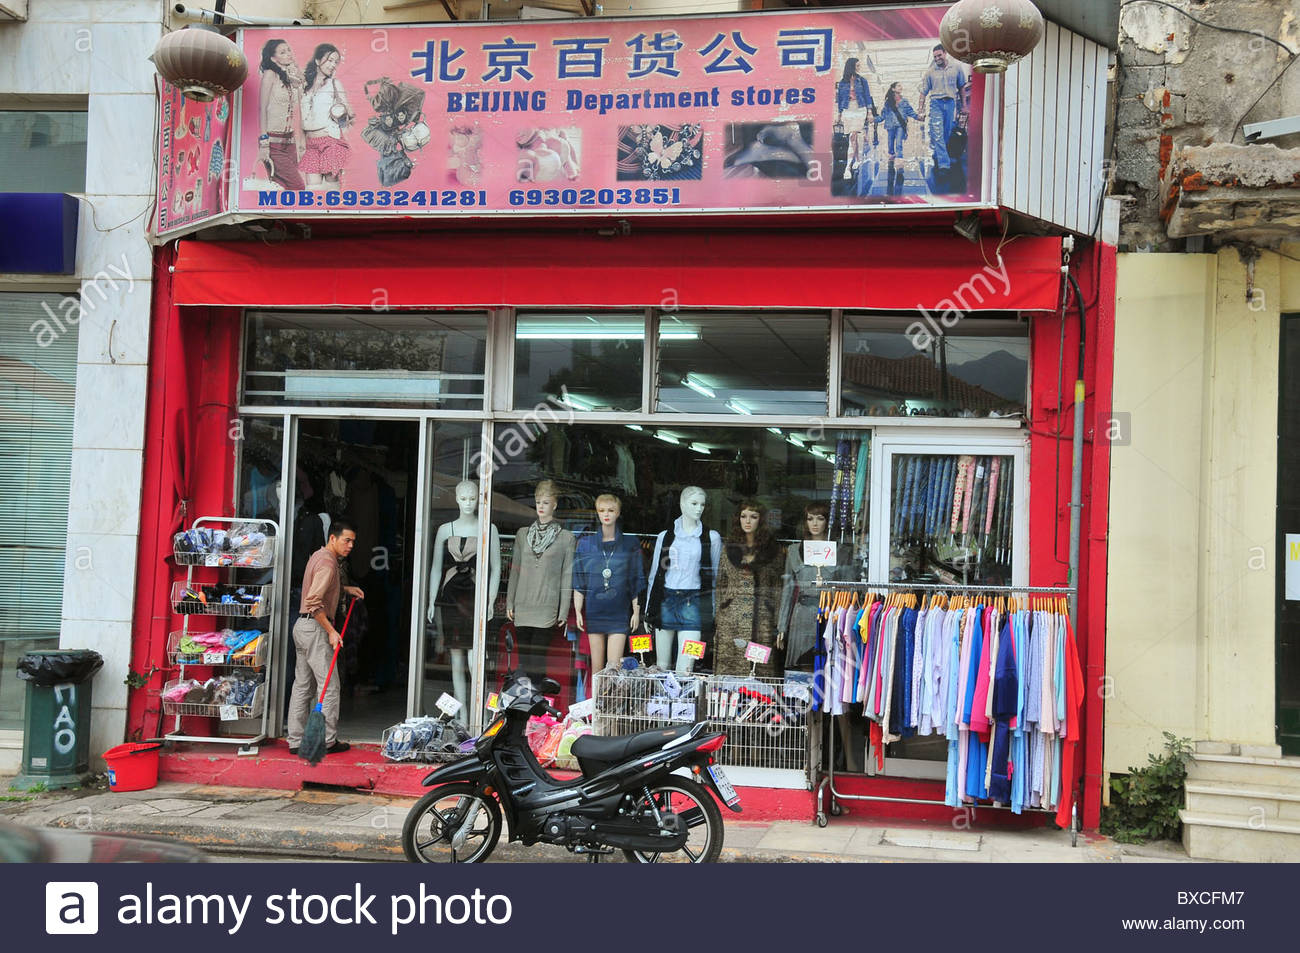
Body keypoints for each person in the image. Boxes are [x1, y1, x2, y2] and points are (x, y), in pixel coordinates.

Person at [286, 519, 365, 756]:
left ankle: (295, 740)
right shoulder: (329, 565)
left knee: (302, 686)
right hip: (316, 629)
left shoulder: (319, 556)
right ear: (333, 538)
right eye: (346, 540)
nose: (350, 545)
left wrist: (345, 589)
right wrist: (331, 631)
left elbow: (320, 588)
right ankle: (328, 741)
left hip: (302, 627)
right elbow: (313, 601)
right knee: (330, 687)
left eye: (353, 542)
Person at [428, 480, 501, 712]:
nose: (468, 503)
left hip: (474, 597)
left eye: (472, 499)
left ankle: (478, 710)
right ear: (457, 499)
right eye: (464, 498)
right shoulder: (444, 530)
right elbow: (435, 568)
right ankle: (462, 715)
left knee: (474, 659)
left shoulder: (489, 529)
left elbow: (496, 568)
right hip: (449, 598)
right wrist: (431, 601)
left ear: (478, 500)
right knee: (456, 660)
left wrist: (490, 601)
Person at [646, 486, 722, 673]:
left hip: (694, 603)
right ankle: (661, 702)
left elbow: (715, 579)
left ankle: (683, 703)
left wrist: (712, 612)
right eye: (694, 503)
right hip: (666, 600)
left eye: (702, 504)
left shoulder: (711, 538)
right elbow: (655, 574)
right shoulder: (665, 537)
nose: (699, 509)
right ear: (682, 504)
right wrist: (650, 608)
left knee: (686, 667)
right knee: (661, 665)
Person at [507, 480, 576, 682]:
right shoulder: (523, 534)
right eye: (538, 502)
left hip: (546, 605)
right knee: (524, 661)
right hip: (523, 604)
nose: (541, 507)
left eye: (546, 502)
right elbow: (515, 571)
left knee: (538, 661)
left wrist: (563, 610)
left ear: (554, 505)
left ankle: (537, 708)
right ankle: (524, 707)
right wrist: (510, 602)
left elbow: (567, 576)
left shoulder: (566, 538)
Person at [572, 493, 644, 674]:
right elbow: (579, 580)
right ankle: (596, 702)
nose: (606, 514)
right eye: (602, 510)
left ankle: (611, 702)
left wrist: (636, 611)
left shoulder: (630, 544)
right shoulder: (586, 544)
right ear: (596, 513)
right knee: (596, 668)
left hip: (619, 612)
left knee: (614, 669)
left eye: (611, 510)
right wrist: (578, 611)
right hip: (595, 610)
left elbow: (636, 579)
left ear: (618, 513)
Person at [713, 500, 784, 677]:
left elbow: (779, 586)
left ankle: (760, 703)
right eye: (743, 516)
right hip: (731, 618)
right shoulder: (729, 548)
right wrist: (720, 612)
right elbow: (721, 583)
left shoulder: (772, 550)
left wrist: (777, 620)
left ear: (761, 520)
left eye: (753, 517)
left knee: (760, 666)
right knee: (731, 663)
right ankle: (728, 701)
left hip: (762, 617)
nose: (748, 521)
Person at [777, 502, 851, 667]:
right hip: (802, 616)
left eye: (820, 518)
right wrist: (782, 626)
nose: (815, 523)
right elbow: (787, 591)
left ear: (828, 522)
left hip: (829, 614)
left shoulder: (841, 552)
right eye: (810, 519)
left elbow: (848, 589)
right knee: (803, 665)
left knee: (829, 666)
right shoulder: (794, 551)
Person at [299, 43, 353, 188]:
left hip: (330, 142)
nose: (333, 65)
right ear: (317, 61)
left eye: (336, 62)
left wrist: (341, 113)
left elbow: (348, 114)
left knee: (332, 190)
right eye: (330, 60)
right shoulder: (304, 86)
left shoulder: (335, 84)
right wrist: (301, 145)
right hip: (310, 145)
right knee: (312, 190)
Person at [917, 45, 970, 193]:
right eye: (935, 57)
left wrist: (964, 106)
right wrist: (920, 110)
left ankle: (939, 154)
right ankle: (944, 165)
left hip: (951, 103)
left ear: (945, 54)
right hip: (936, 103)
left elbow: (962, 88)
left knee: (946, 133)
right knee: (938, 133)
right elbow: (923, 93)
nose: (937, 59)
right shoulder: (930, 72)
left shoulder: (957, 68)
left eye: (939, 56)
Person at [257, 38, 305, 191]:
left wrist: (296, 70)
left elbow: (303, 103)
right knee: (297, 187)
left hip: (290, 142)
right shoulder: (270, 75)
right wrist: (264, 142)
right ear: (273, 58)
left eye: (289, 50)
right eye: (282, 52)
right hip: (272, 142)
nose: (288, 54)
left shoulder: (291, 79)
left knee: (286, 189)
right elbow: (262, 109)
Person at [876, 81, 923, 196]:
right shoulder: (888, 103)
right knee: (891, 147)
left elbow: (910, 112)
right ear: (893, 89)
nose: (901, 87)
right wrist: (874, 119)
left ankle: (900, 165)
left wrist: (918, 117)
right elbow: (882, 116)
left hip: (900, 126)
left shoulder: (905, 101)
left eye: (901, 86)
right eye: (898, 86)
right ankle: (892, 162)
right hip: (890, 126)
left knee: (899, 146)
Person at [835, 57, 876, 181]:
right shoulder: (842, 82)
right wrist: (839, 114)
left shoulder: (862, 81)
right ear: (851, 66)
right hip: (848, 110)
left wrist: (870, 112)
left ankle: (847, 167)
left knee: (853, 136)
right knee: (853, 137)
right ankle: (857, 159)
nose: (859, 68)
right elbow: (840, 100)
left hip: (860, 109)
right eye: (857, 66)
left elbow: (867, 97)